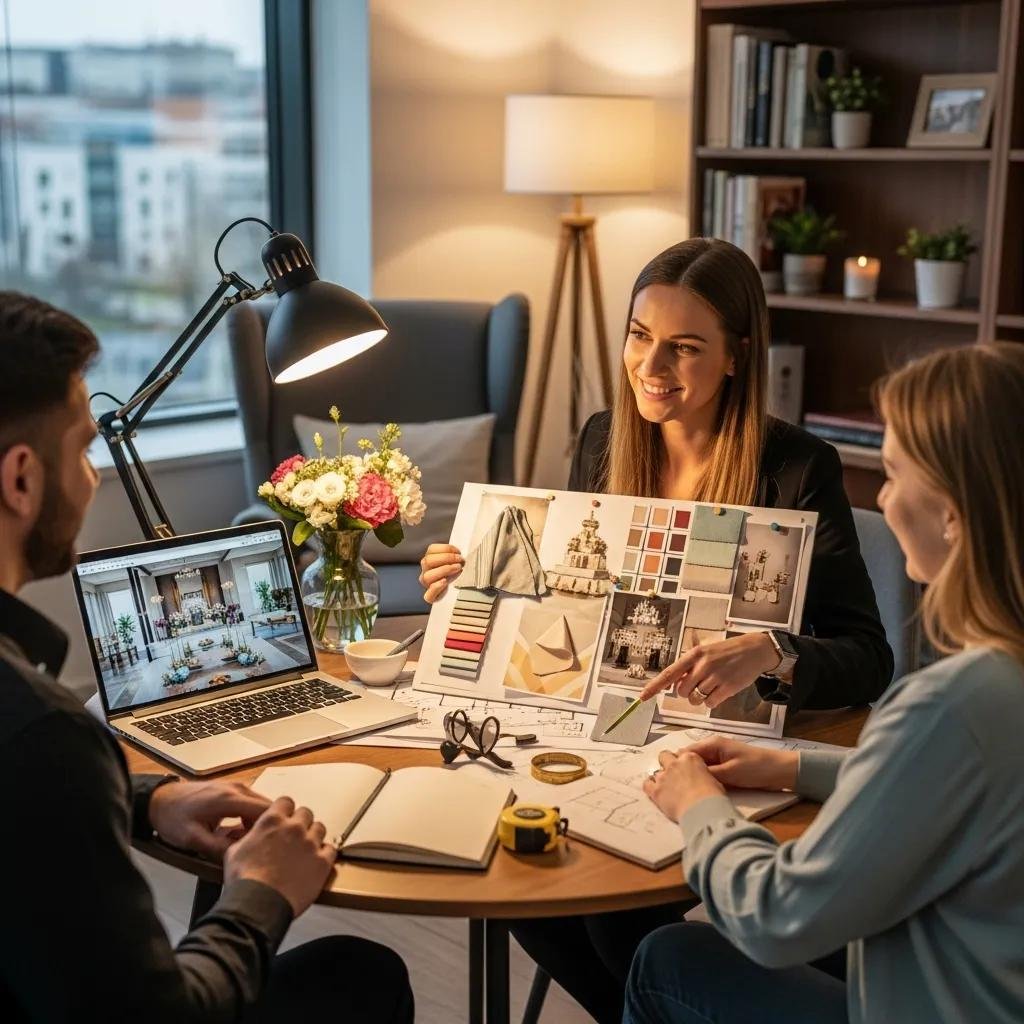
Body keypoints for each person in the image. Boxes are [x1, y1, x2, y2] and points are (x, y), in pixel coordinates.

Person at [418, 238, 893, 1022]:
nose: (652, 364)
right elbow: (573, 602)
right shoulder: (605, 438)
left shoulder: (798, 467)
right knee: (513, 878)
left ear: (737, 357)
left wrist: (774, 651)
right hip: (605, 733)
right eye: (640, 335)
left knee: (612, 914)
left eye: (684, 347)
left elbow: (868, 657)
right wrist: (473, 579)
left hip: (718, 752)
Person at [0, 292, 414, 1023]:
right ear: (22, 479)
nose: (94, 475)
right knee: (359, 976)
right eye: (86, 447)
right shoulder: (45, 737)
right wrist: (260, 892)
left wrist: (147, 800)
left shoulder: (38, 742)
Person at [629, 342, 1024, 1023]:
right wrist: (792, 767)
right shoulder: (996, 687)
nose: (885, 501)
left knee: (670, 958)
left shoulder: (953, 702)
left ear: (956, 514)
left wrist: (699, 804)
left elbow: (776, 917)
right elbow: (946, 784)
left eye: (894, 475)